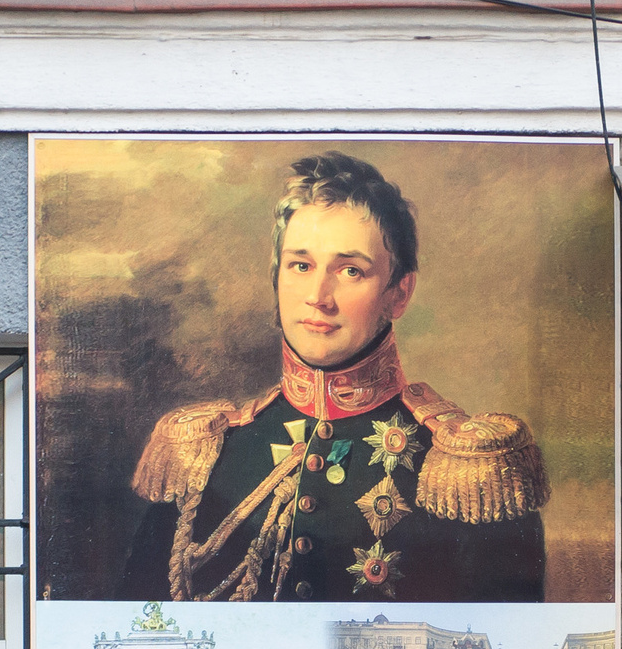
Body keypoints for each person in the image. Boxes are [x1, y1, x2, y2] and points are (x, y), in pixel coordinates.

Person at [122, 151, 546, 605]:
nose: (318, 297)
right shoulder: (201, 453)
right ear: (277, 277)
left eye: (350, 271)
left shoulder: (469, 470)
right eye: (300, 266)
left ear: (398, 294)